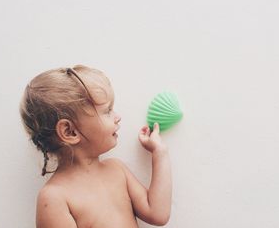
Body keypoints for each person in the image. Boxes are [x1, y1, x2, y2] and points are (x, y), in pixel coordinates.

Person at [19, 64, 172, 228]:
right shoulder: (54, 198)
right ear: (69, 131)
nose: (117, 117)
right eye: (107, 111)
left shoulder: (117, 170)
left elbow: (158, 213)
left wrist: (160, 153)